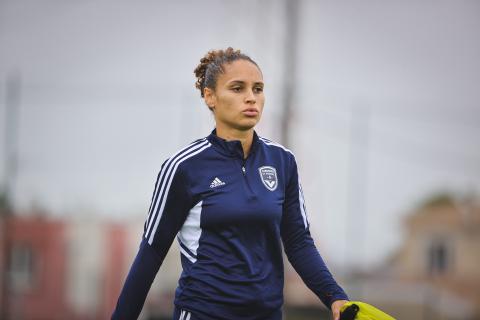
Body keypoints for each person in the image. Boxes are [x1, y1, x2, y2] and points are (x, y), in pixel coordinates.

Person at [111, 47, 349, 320]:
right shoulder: (184, 167)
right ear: (210, 96)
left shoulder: (283, 161)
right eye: (237, 88)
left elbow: (298, 242)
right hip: (202, 314)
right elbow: (151, 252)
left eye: (258, 89)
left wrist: (334, 295)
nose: (251, 98)